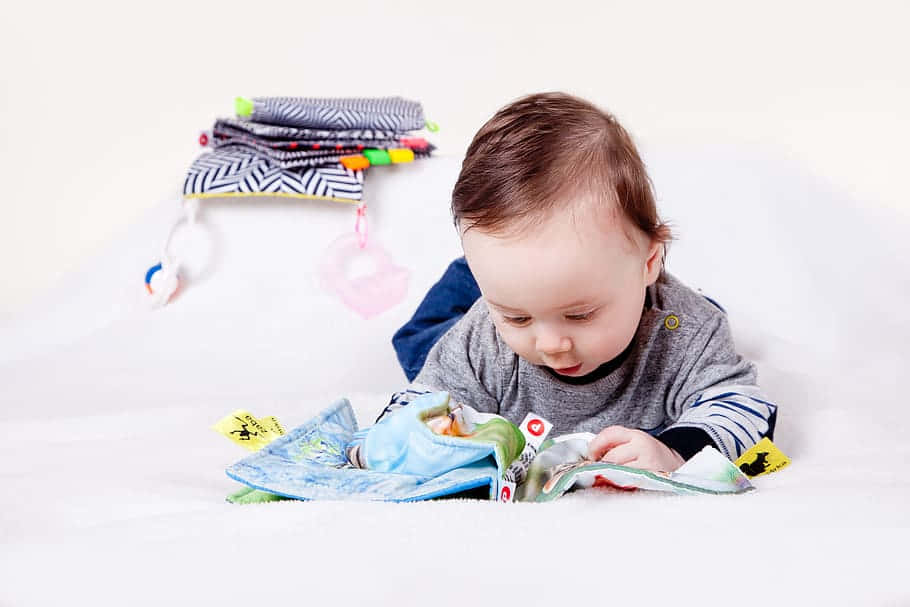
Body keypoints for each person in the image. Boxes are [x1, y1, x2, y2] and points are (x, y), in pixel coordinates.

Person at [386, 92, 777, 473]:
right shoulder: (481, 339)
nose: (552, 345)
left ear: (649, 262)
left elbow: (745, 410)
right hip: (467, 326)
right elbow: (415, 406)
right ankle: (487, 279)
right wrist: (403, 441)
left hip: (655, 311)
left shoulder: (686, 333)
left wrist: (675, 451)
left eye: (580, 314)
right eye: (519, 318)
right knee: (424, 344)